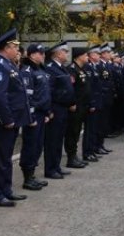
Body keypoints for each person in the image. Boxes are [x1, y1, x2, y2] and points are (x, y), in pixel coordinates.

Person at [0, 28, 30, 207]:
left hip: (12, 119)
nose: (17, 51)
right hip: (2, 121)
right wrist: (7, 118)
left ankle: (6, 190)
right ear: (7, 47)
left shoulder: (8, 64)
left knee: (6, 157)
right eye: (15, 47)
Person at [19, 43, 52, 190]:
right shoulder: (27, 70)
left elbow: (45, 93)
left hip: (41, 113)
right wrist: (30, 116)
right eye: (40, 53)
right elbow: (27, 96)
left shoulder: (41, 69)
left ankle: (32, 176)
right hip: (32, 114)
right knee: (30, 146)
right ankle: (27, 178)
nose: (43, 55)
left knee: (38, 145)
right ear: (32, 55)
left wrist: (46, 112)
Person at [43, 42, 74, 179]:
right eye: (65, 51)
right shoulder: (51, 68)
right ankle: (50, 169)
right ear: (57, 53)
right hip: (56, 108)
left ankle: (56, 166)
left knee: (58, 139)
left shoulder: (62, 68)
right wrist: (49, 110)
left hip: (63, 108)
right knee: (52, 140)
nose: (67, 54)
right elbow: (48, 91)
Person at [65, 47, 90, 168]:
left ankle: (74, 156)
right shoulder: (71, 69)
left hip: (82, 106)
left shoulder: (81, 69)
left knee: (76, 132)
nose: (87, 57)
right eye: (85, 55)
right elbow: (70, 89)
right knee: (72, 132)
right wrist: (71, 103)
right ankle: (71, 158)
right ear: (79, 56)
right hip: (75, 107)